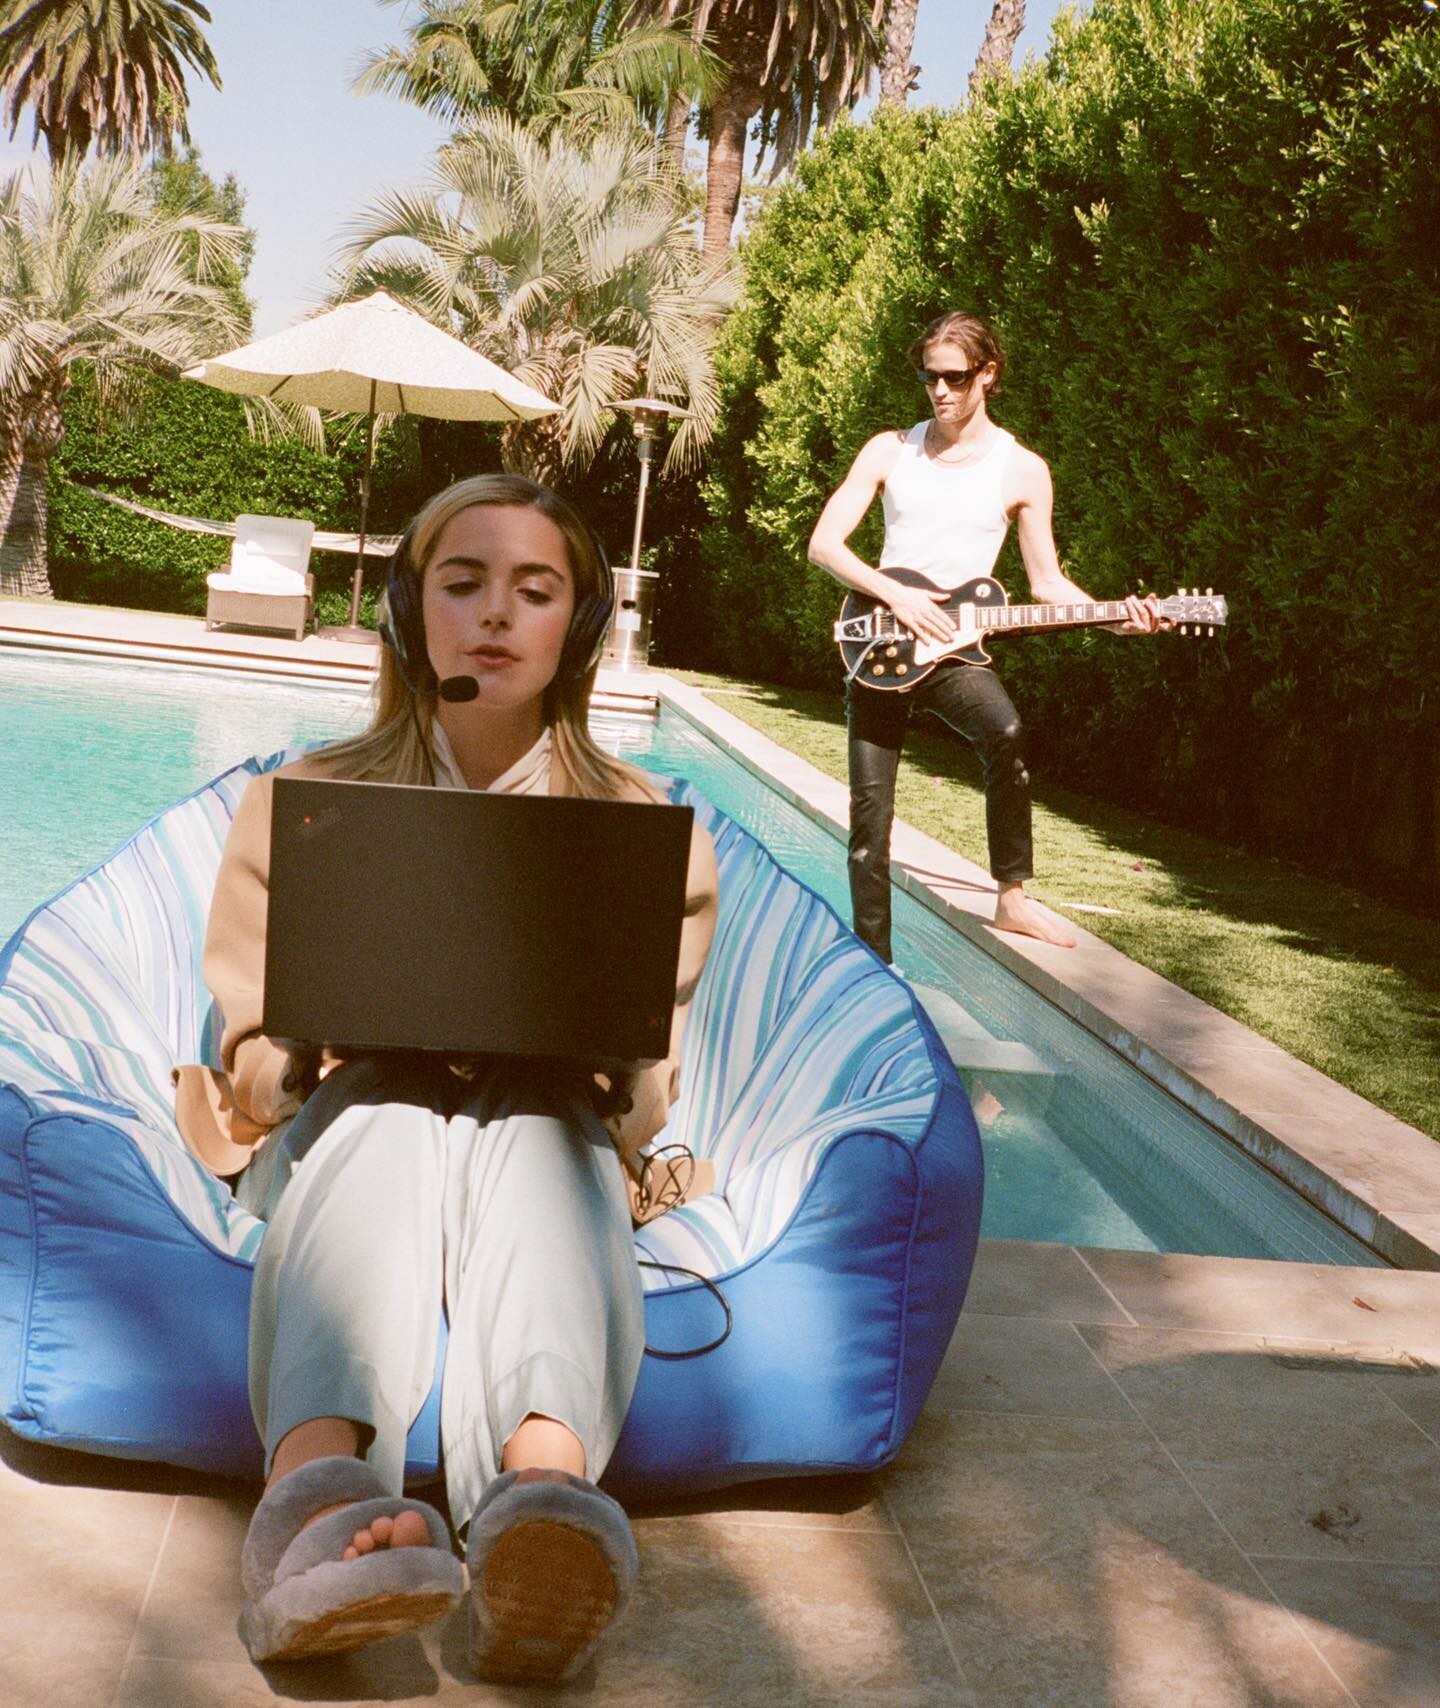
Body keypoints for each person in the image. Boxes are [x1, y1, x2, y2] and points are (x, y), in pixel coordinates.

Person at [174, 473, 719, 1683]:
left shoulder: (645, 827)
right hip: (348, 1119)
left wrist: (607, 1065)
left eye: (536, 590)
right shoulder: (305, 801)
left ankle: (539, 1509)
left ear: (581, 624)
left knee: (540, 1129)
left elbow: (648, 1089)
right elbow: (247, 1058)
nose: (496, 615)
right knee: (386, 1112)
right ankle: (316, 1502)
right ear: (407, 612)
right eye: (463, 584)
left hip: (547, 1123)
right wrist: (298, 1053)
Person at [808, 309, 1165, 963]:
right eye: (929, 377)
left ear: (988, 375)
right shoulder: (890, 449)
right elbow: (824, 545)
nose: (940, 391)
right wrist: (897, 594)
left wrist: (1116, 617)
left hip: (956, 651)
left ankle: (1012, 898)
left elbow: (1048, 584)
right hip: (882, 645)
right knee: (869, 826)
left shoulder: (1022, 470)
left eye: (955, 377)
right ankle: (874, 965)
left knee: (1005, 732)